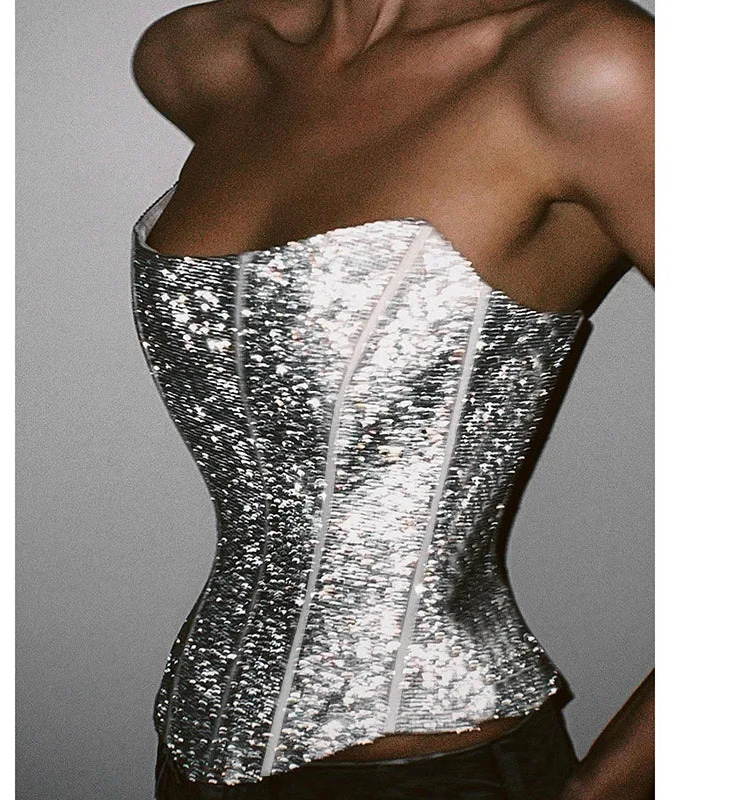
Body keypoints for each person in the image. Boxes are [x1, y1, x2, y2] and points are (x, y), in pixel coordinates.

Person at [130, 1, 654, 798]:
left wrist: (602, 791)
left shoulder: (586, 66)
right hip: (191, 751)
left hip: (433, 771)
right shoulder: (204, 58)